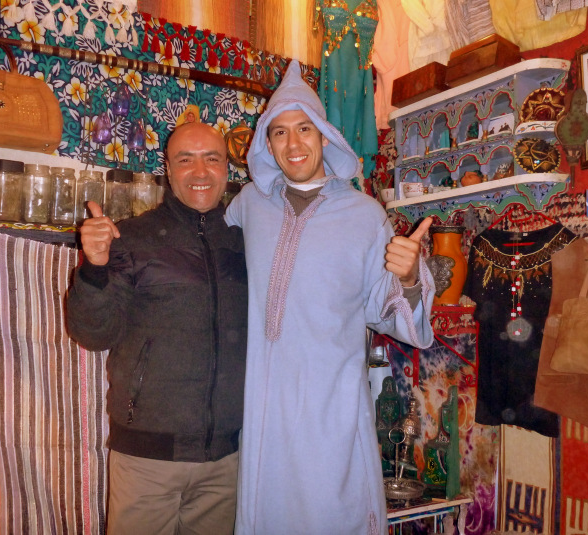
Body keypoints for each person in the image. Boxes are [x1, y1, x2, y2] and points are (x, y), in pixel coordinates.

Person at [225, 60, 435, 534]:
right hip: (266, 411)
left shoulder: (365, 216)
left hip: (332, 411)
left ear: (323, 136)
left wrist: (407, 277)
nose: (293, 144)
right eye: (279, 133)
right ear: (266, 143)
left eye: (304, 129)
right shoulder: (249, 205)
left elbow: (394, 317)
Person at [65, 121, 248, 535]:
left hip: (225, 462)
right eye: (186, 160)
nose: (200, 172)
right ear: (167, 168)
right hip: (146, 461)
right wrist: (93, 269)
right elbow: (94, 333)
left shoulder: (246, 243)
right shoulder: (132, 238)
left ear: (226, 169)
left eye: (212, 159)